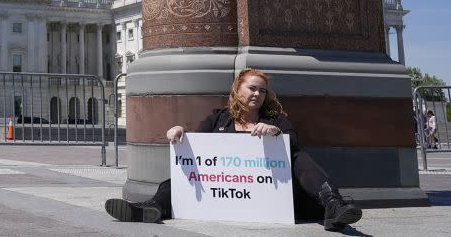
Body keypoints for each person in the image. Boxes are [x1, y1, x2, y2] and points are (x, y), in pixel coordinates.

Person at [105, 69, 363, 233]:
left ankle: (333, 205)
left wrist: (275, 134)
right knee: (178, 181)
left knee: (299, 156)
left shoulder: (276, 119)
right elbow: (197, 148)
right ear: (237, 90)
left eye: (262, 90)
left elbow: (292, 141)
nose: (258, 94)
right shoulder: (218, 119)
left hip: (274, 194)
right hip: (224, 192)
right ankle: (150, 209)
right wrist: (178, 131)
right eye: (252, 88)